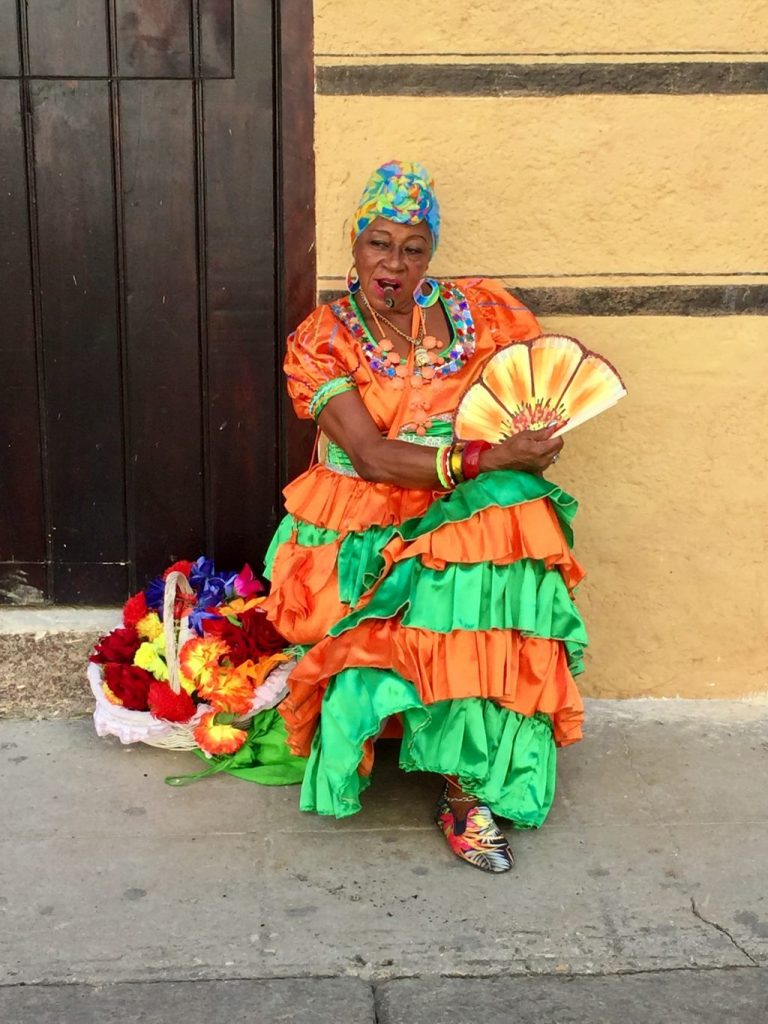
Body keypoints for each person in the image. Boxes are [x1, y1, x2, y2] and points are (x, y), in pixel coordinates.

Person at [262, 160, 587, 873]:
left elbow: (528, 392)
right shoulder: (326, 338)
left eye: (413, 246)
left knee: (500, 528)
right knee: (473, 535)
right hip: (363, 519)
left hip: (458, 515)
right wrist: (485, 462)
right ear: (355, 244)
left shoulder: (484, 314)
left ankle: (467, 789)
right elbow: (374, 457)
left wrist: (530, 446)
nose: (395, 262)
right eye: (380, 242)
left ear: (430, 252)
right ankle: (410, 741)